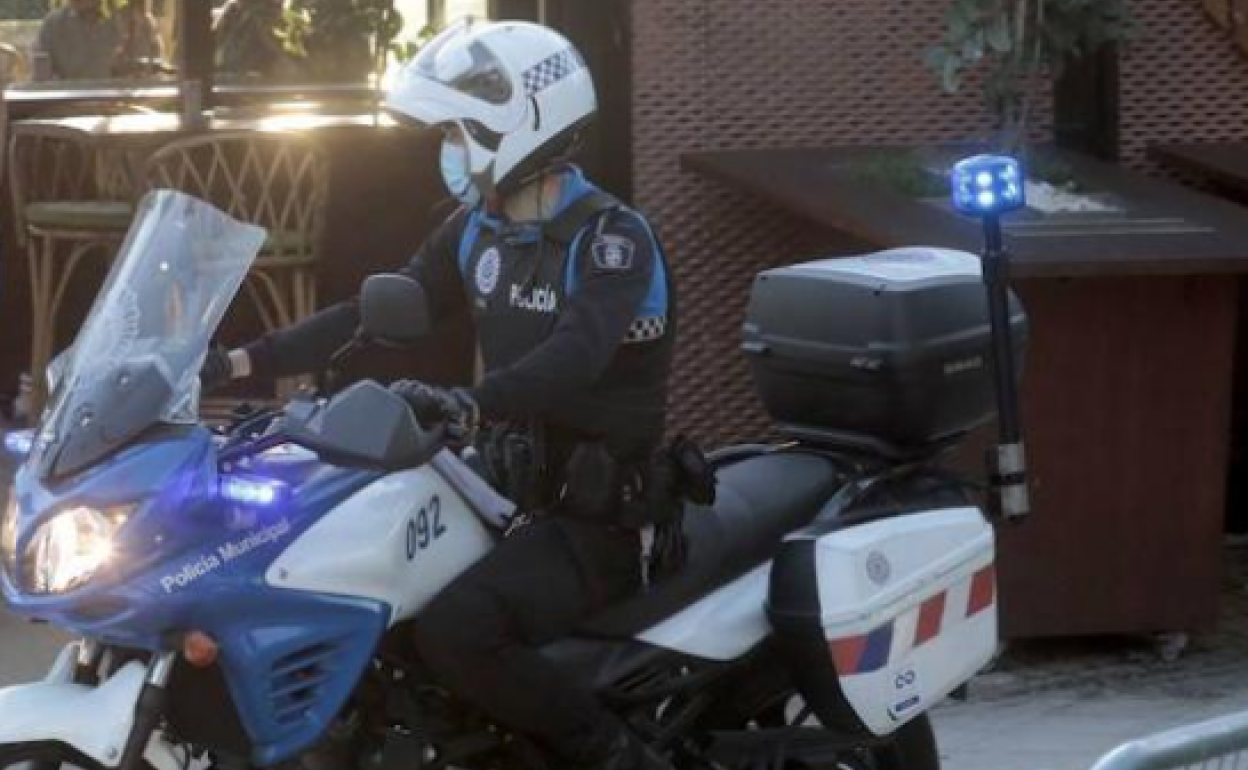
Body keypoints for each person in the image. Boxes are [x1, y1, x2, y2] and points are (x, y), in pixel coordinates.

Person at [202, 19, 676, 770]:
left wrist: (472, 402)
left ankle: (615, 755)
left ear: (516, 123)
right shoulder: (477, 228)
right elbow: (370, 310)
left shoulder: (613, 241)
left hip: (603, 516)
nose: (447, 152)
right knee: (355, 584)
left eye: (457, 132)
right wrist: (232, 362)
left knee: (459, 629)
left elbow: (575, 357)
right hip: (500, 490)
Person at [33, 0, 121, 81]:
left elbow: (129, 76)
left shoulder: (120, 22)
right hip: (67, 95)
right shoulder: (53, 24)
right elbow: (41, 79)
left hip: (110, 96)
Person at [115, 0, 165, 75]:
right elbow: (123, 47)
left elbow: (158, 50)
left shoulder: (150, 22)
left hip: (149, 73)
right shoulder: (125, 20)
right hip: (130, 72)